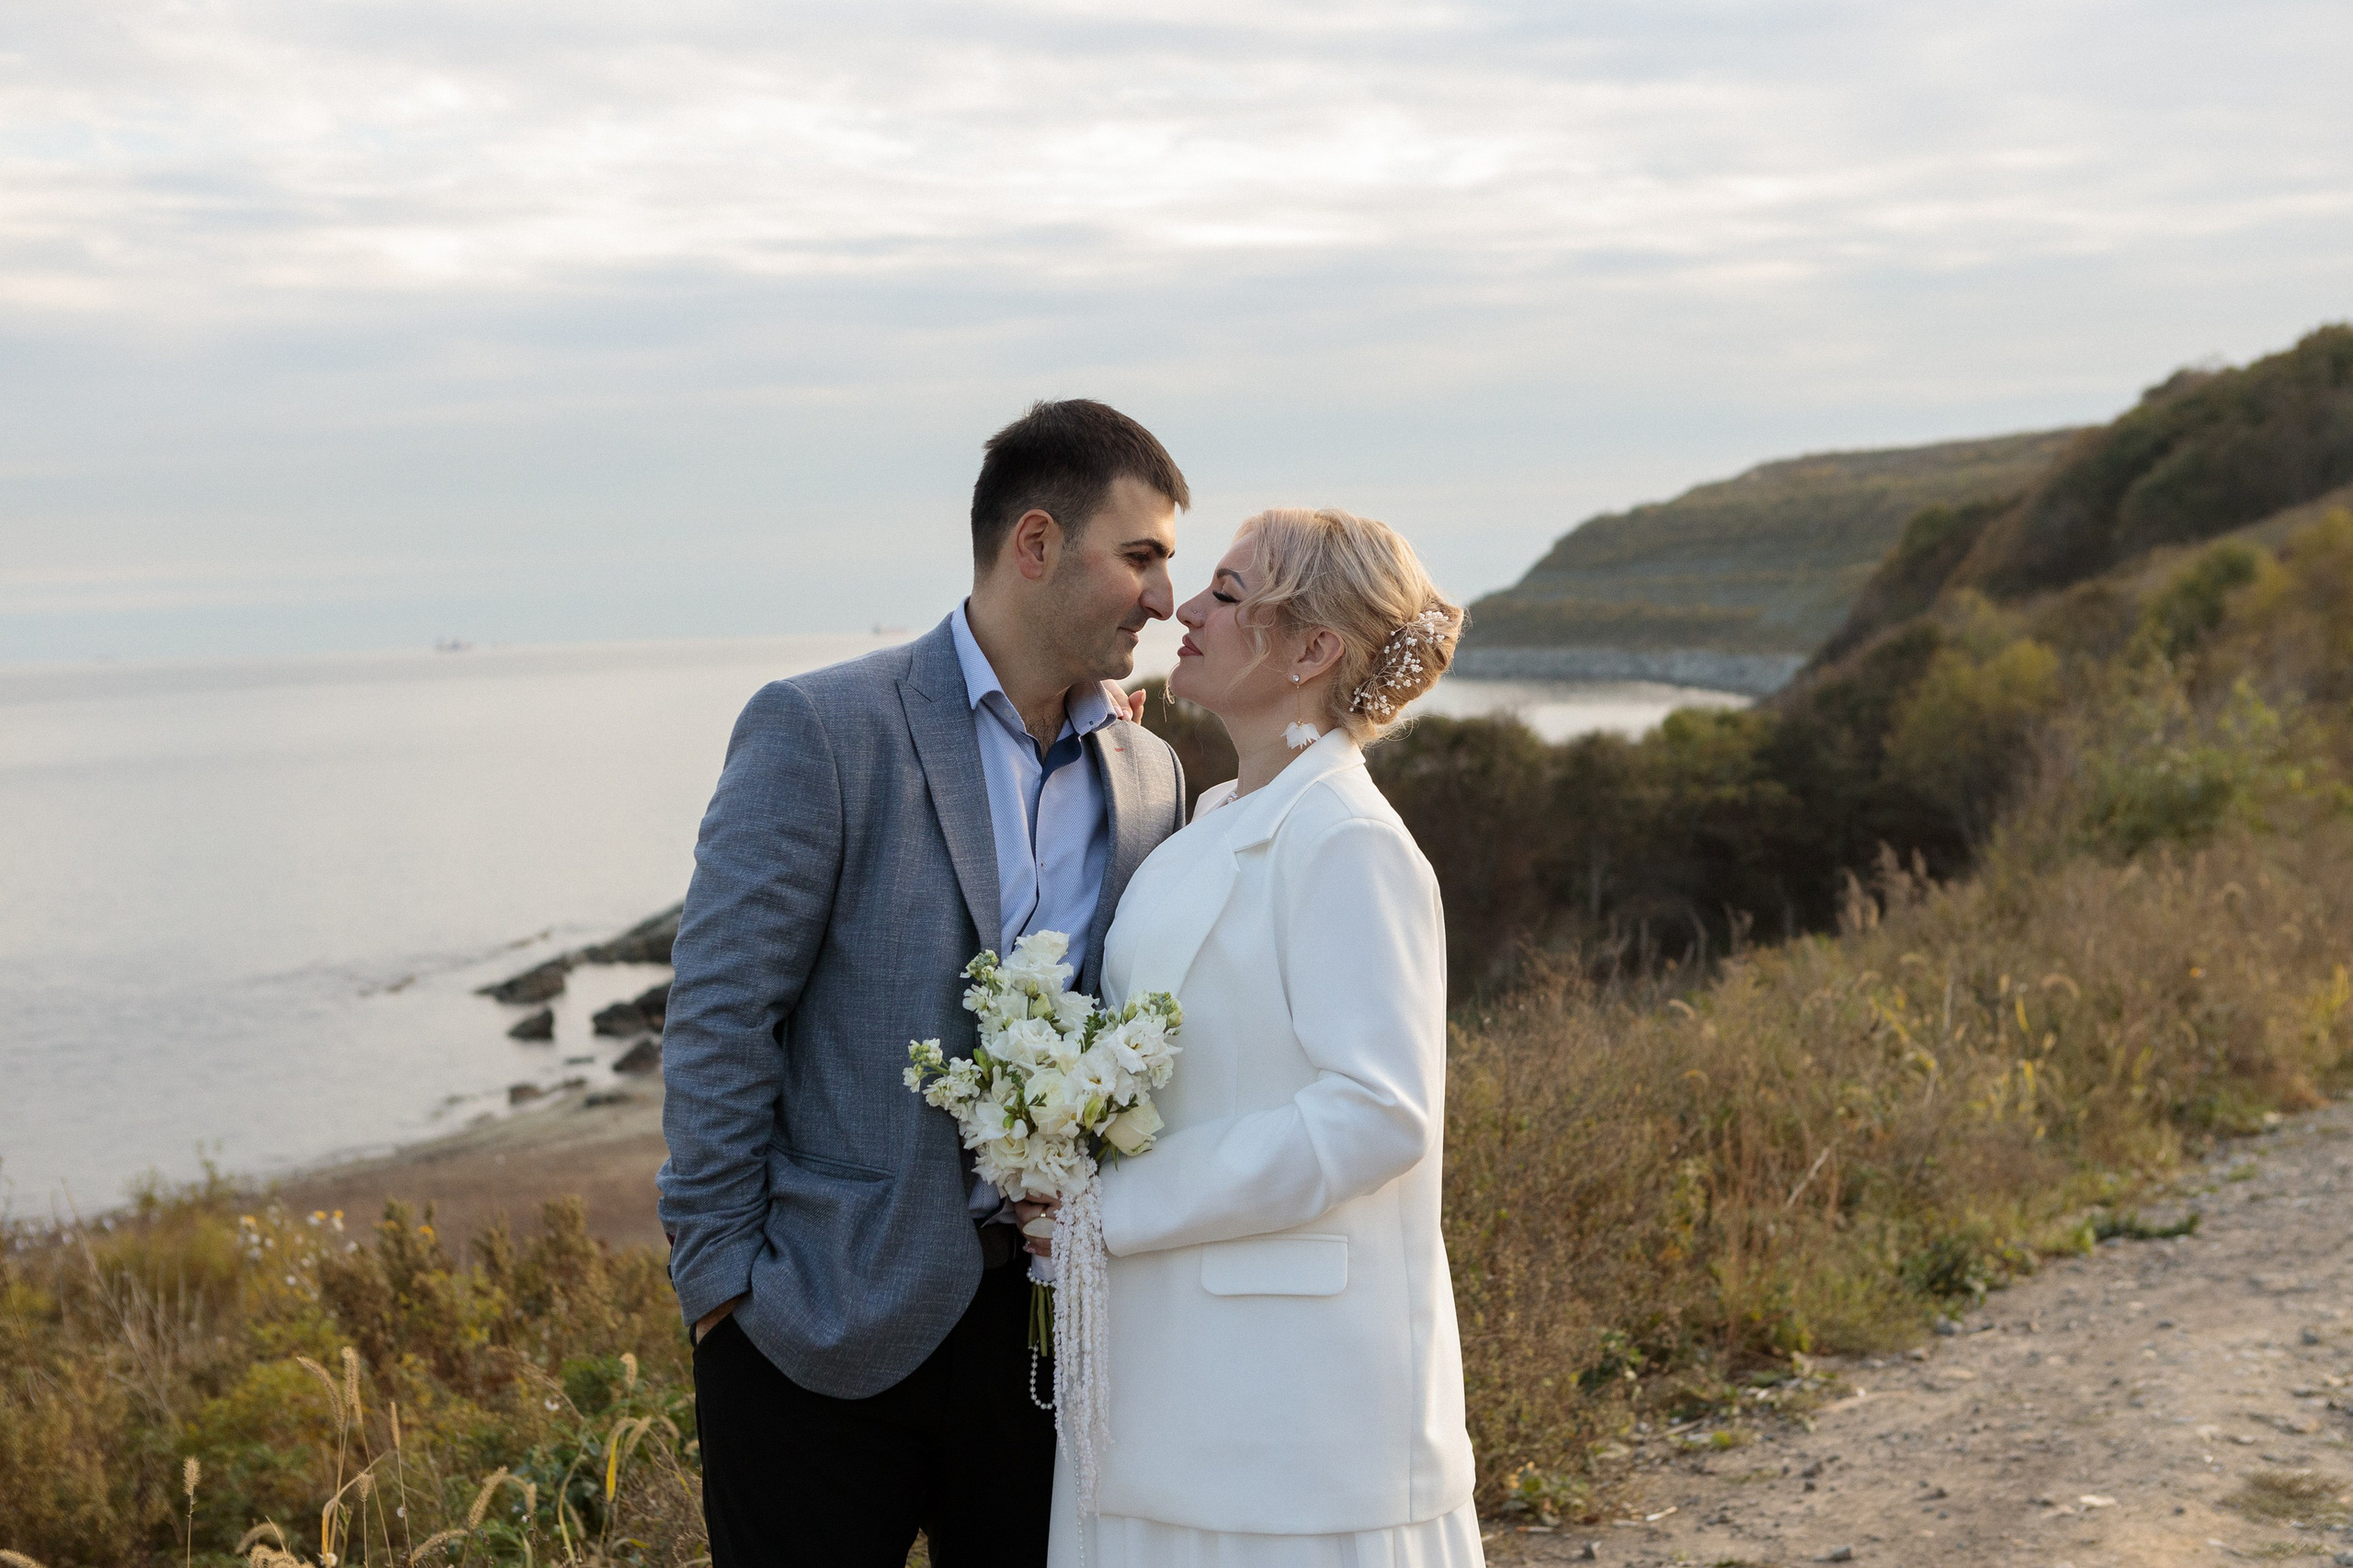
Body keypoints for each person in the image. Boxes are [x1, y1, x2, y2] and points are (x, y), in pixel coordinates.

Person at [657, 399, 1193, 1568]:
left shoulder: (1151, 773)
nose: (1166, 597)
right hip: (815, 1321)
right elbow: (721, 1009)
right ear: (1036, 542)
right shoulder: (823, 726)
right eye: (1141, 556)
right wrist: (720, 1285)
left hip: (1045, 1345)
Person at [1029, 506, 1483, 1568]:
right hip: (1171, 1379)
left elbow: (1377, 1111)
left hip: (1289, 1399)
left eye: (1227, 594)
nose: (1183, 608)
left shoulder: (1347, 839)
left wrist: (1111, 1209)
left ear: (1312, 649)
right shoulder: (1217, 815)